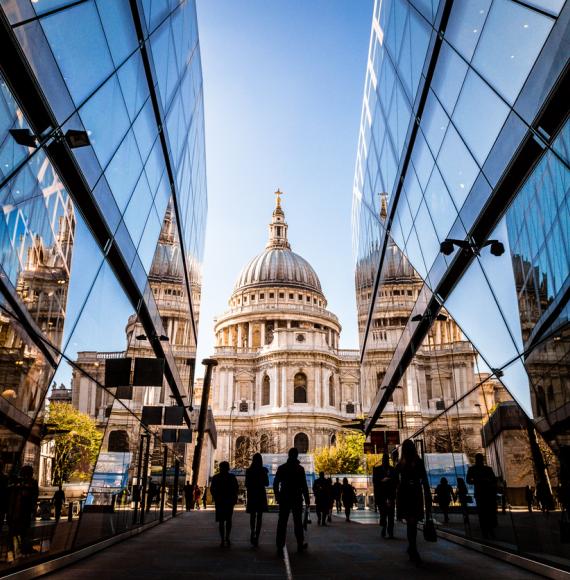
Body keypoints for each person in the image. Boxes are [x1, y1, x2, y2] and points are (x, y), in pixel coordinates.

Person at [396, 440, 431, 564]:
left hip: (406, 494)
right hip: (414, 493)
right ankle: (413, 548)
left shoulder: (401, 464)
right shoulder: (417, 462)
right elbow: (424, 479)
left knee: (411, 522)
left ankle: (412, 547)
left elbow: (396, 481)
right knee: (412, 522)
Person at [273, 448, 309, 556]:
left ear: (288, 455)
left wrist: (278, 496)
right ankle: (299, 544)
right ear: (297, 456)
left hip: (284, 498)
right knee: (298, 522)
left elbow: (275, 484)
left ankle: (280, 545)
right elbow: (304, 486)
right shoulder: (300, 469)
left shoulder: (282, 468)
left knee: (282, 522)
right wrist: (307, 499)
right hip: (297, 498)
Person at [7, 465, 39, 555]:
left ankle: (14, 549)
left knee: (16, 531)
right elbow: (34, 497)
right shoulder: (31, 483)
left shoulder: (17, 483)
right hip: (22, 511)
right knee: (23, 530)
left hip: (16, 511)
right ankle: (21, 548)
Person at [466, 453, 497, 538]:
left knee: (483, 513)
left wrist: (477, 481)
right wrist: (480, 481)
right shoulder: (487, 469)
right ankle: (488, 531)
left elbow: (468, 480)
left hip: (482, 492)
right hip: (485, 493)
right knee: (486, 513)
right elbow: (468, 480)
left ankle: (486, 531)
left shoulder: (473, 469)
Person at [210, 461, 239, 547]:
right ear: (228, 468)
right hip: (229, 502)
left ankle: (222, 539)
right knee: (229, 520)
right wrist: (233, 499)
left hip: (220, 502)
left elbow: (212, 489)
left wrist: (216, 498)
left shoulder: (216, 477)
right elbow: (236, 489)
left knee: (221, 521)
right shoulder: (232, 477)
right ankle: (227, 537)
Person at [245, 453, 269, 546]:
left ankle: (252, 532)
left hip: (252, 494)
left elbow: (247, 484)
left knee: (252, 515)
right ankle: (257, 536)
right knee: (259, 516)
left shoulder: (249, 471)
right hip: (260, 494)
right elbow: (266, 483)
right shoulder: (263, 471)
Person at [373, 452, 397, 538]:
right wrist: (382, 481)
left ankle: (390, 531)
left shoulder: (393, 470)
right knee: (383, 514)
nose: (385, 461)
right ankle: (384, 527)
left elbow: (396, 482)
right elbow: (375, 482)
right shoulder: (377, 470)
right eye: (384, 459)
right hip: (381, 495)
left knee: (390, 514)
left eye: (386, 459)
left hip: (390, 495)